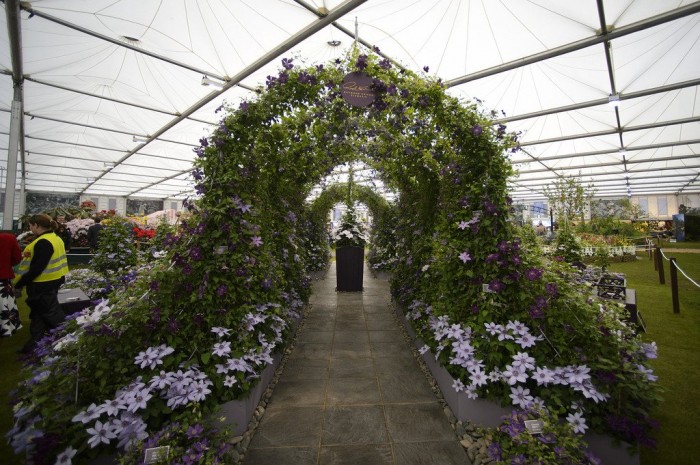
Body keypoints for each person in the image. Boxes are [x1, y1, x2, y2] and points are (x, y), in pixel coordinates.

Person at [14, 214, 69, 353]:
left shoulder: (43, 242)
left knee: (51, 314)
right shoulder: (55, 238)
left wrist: (20, 283)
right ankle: (35, 344)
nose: (30, 228)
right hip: (52, 280)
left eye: (31, 225)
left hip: (43, 283)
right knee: (39, 313)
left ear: (37, 225)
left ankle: (67, 339)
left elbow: (37, 268)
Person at [0, 231, 23, 337]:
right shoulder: (8, 238)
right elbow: (17, 258)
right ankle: (5, 327)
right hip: (2, 279)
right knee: (3, 304)